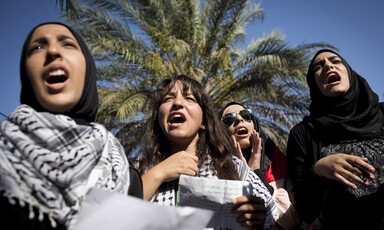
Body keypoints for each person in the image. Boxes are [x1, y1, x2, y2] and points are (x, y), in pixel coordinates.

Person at [0, 22, 142, 230]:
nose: (53, 51)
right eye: (37, 47)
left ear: (88, 68)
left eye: (67, 44)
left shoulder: (125, 176)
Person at [136, 75, 279, 229]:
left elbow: (274, 219)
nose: (177, 103)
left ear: (204, 121)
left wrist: (258, 222)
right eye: (168, 99)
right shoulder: (139, 169)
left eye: (189, 98)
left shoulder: (234, 168)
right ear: (158, 117)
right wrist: (158, 174)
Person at [286, 49, 384, 230]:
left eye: (335, 61)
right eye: (318, 66)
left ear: (349, 72)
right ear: (313, 83)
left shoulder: (383, 114)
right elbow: (305, 211)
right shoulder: (303, 134)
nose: (328, 66)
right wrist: (318, 170)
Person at [220, 102, 300, 230]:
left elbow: (291, 222)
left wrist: (256, 173)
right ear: (221, 133)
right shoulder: (214, 172)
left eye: (246, 115)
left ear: (255, 124)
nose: (239, 119)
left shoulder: (278, 166)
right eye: (229, 119)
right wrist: (244, 175)